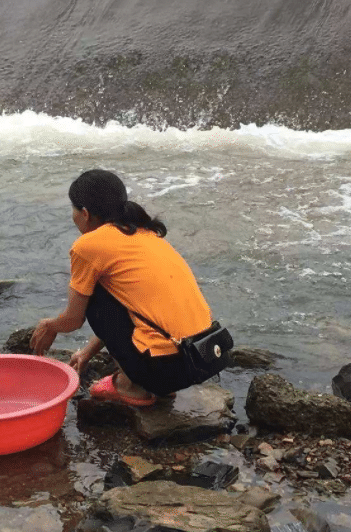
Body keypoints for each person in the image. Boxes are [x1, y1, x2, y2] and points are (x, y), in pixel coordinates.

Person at [29, 169, 215, 406]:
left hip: (168, 369)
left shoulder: (88, 246)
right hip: (204, 357)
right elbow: (135, 309)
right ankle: (156, 386)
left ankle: (132, 386)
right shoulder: (143, 233)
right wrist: (87, 352)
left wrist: (49, 325)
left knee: (93, 296)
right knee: (109, 291)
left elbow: (74, 320)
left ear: (84, 214)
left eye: (73, 209)